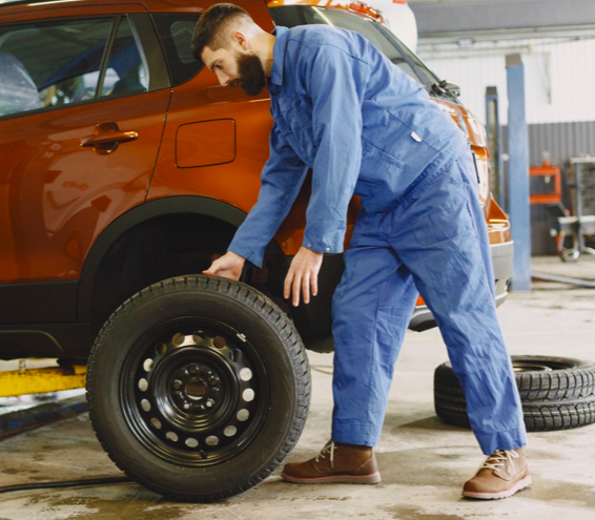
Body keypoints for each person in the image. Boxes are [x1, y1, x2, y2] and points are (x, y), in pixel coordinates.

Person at [193, 3, 530, 500]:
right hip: (381, 204)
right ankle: (352, 451)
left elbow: (340, 142)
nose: (220, 79)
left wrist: (317, 243)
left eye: (218, 64)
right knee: (358, 315)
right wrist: (241, 251)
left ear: (242, 41)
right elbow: (282, 177)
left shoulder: (321, 51)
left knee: (464, 316)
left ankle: (509, 453)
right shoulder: (282, 94)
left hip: (431, 185)